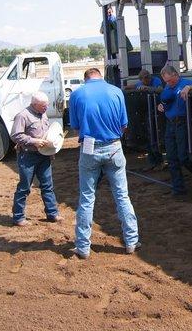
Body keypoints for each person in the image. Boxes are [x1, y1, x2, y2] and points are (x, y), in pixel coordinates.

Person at [69, 67, 140, 257]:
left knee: (86, 198)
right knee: (122, 196)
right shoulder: (116, 91)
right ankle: (131, 241)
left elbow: (75, 127)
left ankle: (83, 247)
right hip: (114, 146)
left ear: (86, 79)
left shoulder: (77, 95)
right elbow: (124, 125)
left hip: (89, 147)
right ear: (101, 77)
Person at [10, 91, 62, 226]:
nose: (46, 108)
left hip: (44, 155)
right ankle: (18, 217)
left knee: (47, 186)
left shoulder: (43, 114)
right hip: (28, 156)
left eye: (47, 105)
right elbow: (15, 135)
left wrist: (51, 150)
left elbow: (48, 133)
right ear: (34, 104)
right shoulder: (22, 116)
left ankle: (52, 213)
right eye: (43, 106)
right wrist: (34, 141)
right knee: (24, 187)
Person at [157, 65, 192, 196]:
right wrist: (161, 106)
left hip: (182, 122)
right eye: (166, 81)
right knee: (171, 157)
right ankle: (178, 188)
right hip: (170, 123)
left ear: (176, 74)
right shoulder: (168, 87)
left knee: (183, 157)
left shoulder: (185, 83)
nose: (168, 83)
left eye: (170, 80)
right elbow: (165, 101)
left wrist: (188, 88)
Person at [125, 69, 166, 171]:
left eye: (147, 78)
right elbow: (135, 86)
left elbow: (160, 90)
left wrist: (147, 88)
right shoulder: (141, 82)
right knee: (148, 139)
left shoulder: (156, 80)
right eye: (144, 79)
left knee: (155, 138)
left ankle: (159, 162)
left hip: (158, 112)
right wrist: (127, 87)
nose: (146, 80)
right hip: (147, 113)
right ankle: (152, 162)